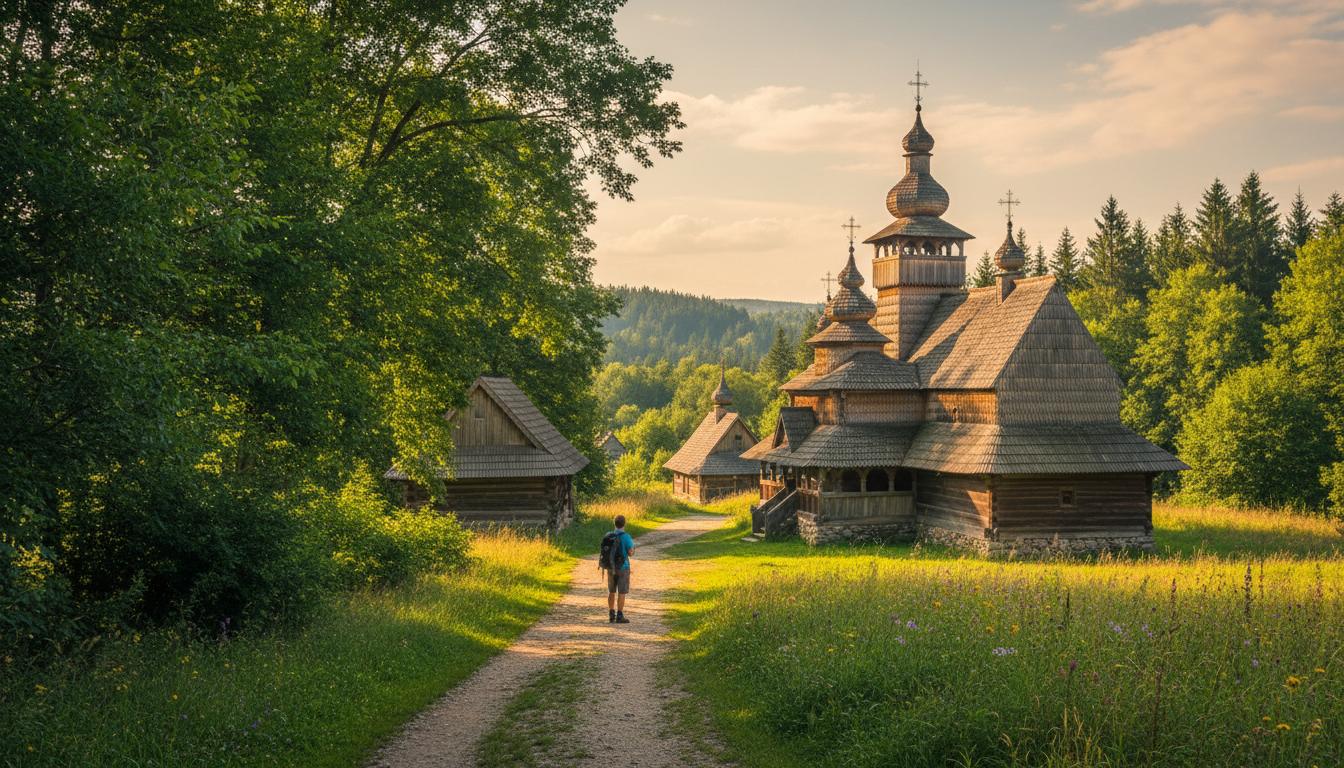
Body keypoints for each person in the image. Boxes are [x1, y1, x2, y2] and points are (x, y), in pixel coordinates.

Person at [606, 514, 636, 624]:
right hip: (623, 567)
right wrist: (633, 548)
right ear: (624, 524)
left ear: (614, 523)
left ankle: (611, 614)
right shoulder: (626, 537)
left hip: (610, 567)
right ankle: (620, 615)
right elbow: (630, 553)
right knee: (622, 592)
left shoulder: (609, 535)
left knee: (611, 591)